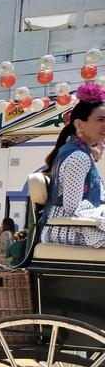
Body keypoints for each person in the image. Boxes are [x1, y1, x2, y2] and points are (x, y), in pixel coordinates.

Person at [40, 81, 105, 247]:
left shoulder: (76, 152)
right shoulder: (78, 157)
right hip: (69, 232)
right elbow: (73, 210)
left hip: (71, 228)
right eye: (100, 119)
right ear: (79, 124)